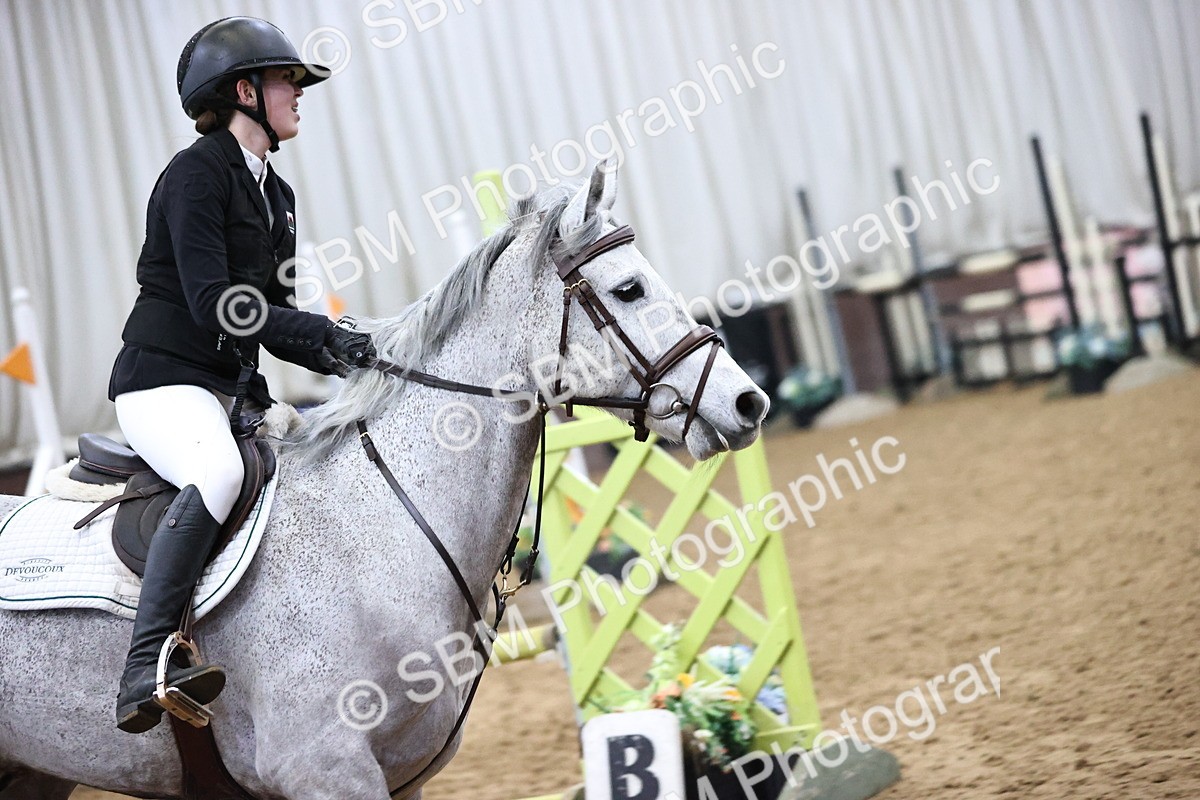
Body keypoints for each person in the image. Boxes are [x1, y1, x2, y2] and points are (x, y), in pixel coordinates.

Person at [108, 16, 375, 734]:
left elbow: (276, 314)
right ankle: (144, 664)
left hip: (228, 388)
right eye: (288, 80)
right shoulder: (195, 176)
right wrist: (324, 333)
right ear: (244, 90)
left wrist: (353, 351)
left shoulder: (276, 195)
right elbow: (216, 303)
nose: (299, 93)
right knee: (220, 475)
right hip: (161, 382)